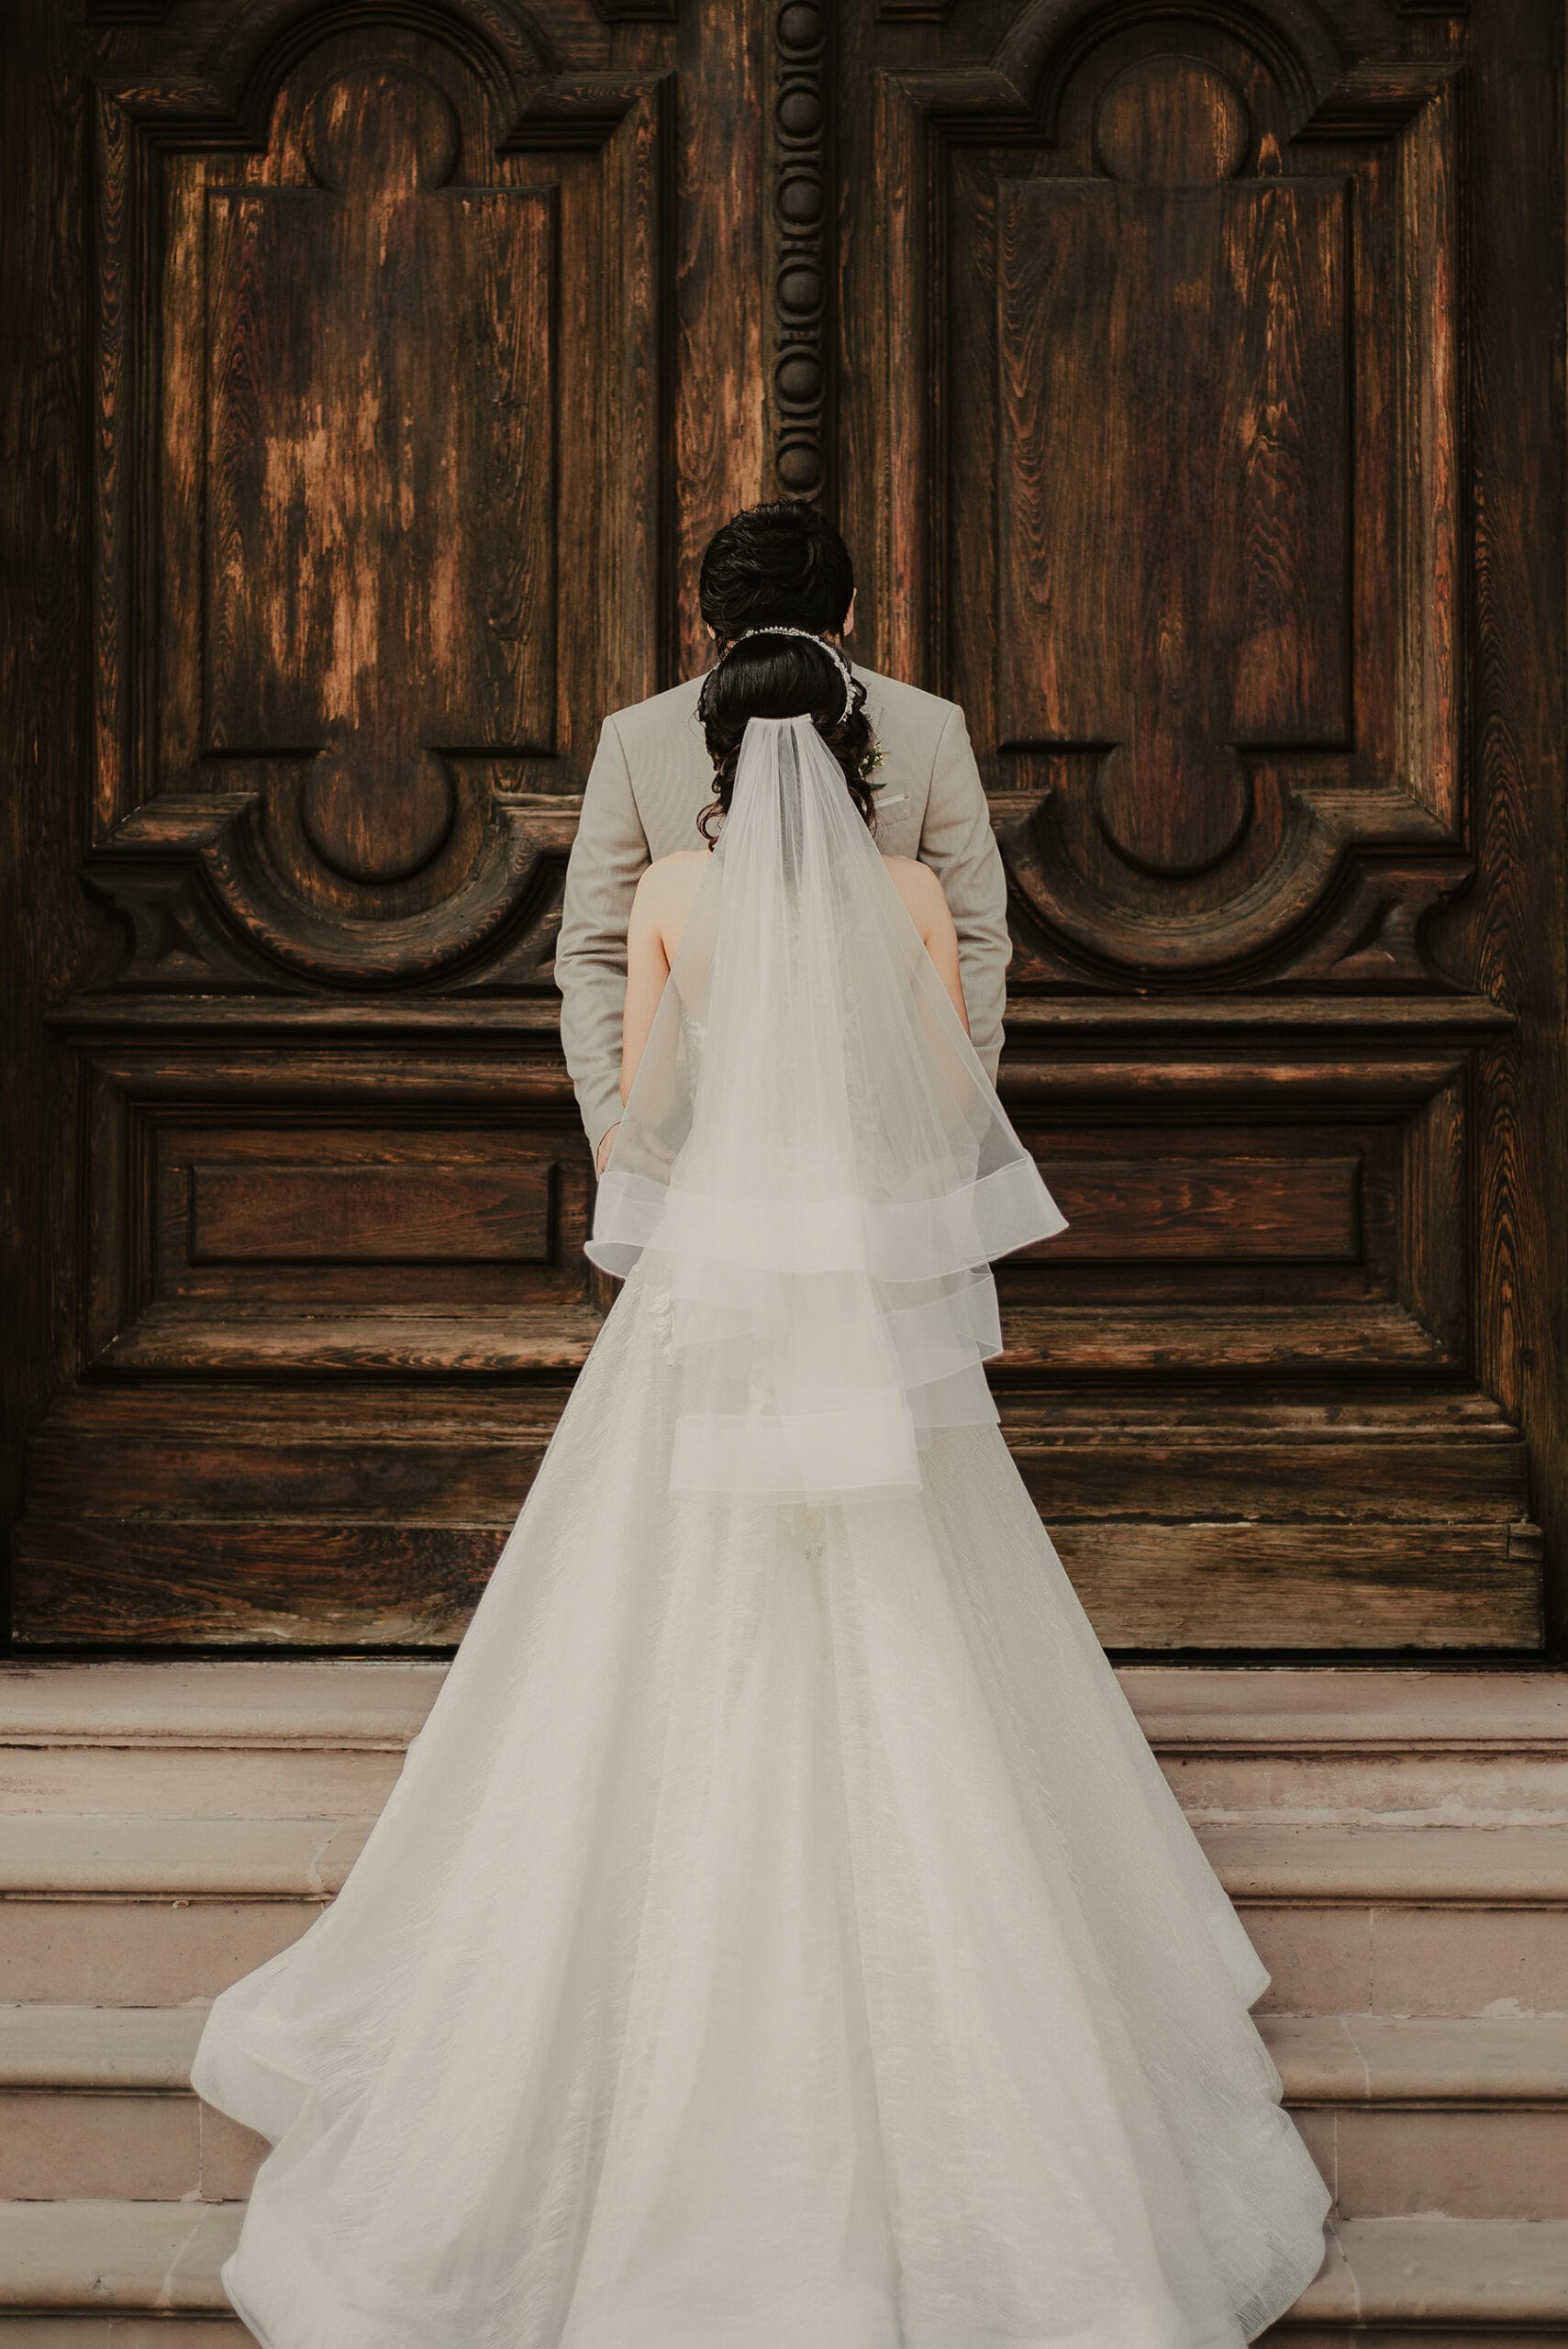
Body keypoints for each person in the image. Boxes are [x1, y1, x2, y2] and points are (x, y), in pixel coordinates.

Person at [192, 603, 1332, 2349]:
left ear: (713, 744)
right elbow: (943, 1102)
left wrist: (721, 1150)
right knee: (909, 1584)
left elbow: (647, 1112)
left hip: (717, 1290)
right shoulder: (903, 894)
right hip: (859, 1289)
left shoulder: (668, 891)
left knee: (673, 1587)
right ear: (855, 738)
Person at [556, 500, 1011, 1175]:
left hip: (888, 1154)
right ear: (850, 610)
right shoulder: (635, 739)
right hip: (694, 1155)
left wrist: (951, 1135)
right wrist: (613, 1130)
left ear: (709, 624)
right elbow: (596, 949)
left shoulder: (931, 729)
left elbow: (974, 936)